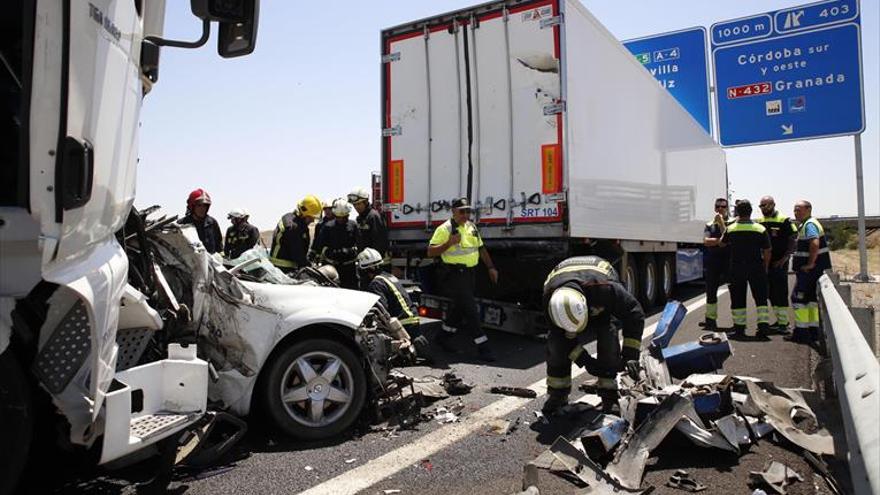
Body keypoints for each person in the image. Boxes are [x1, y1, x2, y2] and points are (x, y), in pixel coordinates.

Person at [542, 256, 645, 415]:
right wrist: (585, 360)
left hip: (597, 284)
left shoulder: (607, 290)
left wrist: (631, 355)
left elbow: (635, 315)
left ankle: (609, 395)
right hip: (566, 283)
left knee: (608, 335)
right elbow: (562, 339)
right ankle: (558, 395)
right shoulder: (550, 300)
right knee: (556, 344)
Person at [427, 197, 498, 361]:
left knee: (459, 310)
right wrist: (448, 244)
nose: (466, 214)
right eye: (462, 211)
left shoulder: (471, 227)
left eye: (468, 211)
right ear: (453, 211)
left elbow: (481, 248)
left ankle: (442, 338)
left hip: (470, 274)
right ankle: (483, 347)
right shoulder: (444, 229)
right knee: (471, 311)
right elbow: (430, 252)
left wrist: (491, 267)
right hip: (454, 274)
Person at [719, 200, 772, 337]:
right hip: (756, 267)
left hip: (737, 268)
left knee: (738, 299)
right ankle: (763, 327)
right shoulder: (760, 229)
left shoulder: (731, 228)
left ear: (737, 212)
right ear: (751, 212)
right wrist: (765, 266)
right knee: (760, 298)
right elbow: (767, 250)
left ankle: (739, 329)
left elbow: (721, 244)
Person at [789, 200, 832, 343]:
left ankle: (801, 333)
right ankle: (813, 332)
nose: (796, 212)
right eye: (795, 210)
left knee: (798, 299)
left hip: (809, 272)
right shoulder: (807, 224)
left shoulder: (810, 225)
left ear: (808, 210)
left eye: (799, 209)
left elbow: (814, 243)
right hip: (815, 271)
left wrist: (810, 264)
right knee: (811, 301)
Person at [758, 196, 797, 332]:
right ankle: (779, 321)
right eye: (761, 206)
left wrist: (785, 258)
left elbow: (793, 240)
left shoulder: (784, 220)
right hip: (765, 263)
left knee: (780, 291)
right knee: (770, 292)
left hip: (779, 262)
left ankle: (784, 323)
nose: (763, 208)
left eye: (766, 205)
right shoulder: (761, 221)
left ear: (773, 204)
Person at [357, 247, 419, 331]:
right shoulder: (389, 277)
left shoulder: (376, 283)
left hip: (402, 326)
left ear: (366, 269)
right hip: (413, 320)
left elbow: (382, 312)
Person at [311, 199, 359, 289]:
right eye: (338, 217)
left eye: (344, 217)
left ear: (348, 215)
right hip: (331, 268)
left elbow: (360, 244)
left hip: (349, 269)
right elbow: (318, 245)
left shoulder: (353, 226)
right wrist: (313, 256)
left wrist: (351, 251)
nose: (341, 219)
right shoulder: (327, 227)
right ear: (335, 215)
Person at [269, 195, 322, 273]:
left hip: (279, 266)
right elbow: (297, 254)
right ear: (304, 213)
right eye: (311, 218)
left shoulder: (289, 218)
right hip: (284, 269)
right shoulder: (294, 227)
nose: (312, 221)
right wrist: (310, 267)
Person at [702, 198, 731, 330]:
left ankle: (738, 323)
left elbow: (730, 240)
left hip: (728, 261)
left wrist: (721, 225)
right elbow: (706, 241)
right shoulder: (709, 224)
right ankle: (710, 319)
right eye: (718, 206)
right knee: (711, 291)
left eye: (723, 206)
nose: (720, 209)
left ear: (727, 208)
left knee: (734, 290)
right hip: (713, 261)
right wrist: (720, 241)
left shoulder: (732, 223)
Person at [349, 187, 389, 259]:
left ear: (366, 202)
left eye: (358, 204)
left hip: (374, 262)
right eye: (354, 205)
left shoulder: (373, 217)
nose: (356, 207)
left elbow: (380, 242)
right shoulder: (359, 219)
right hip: (365, 260)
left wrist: (374, 260)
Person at [180, 188, 223, 254]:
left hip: (211, 262)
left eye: (205, 206)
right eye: (199, 205)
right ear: (192, 206)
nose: (202, 209)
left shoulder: (212, 222)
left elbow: (219, 245)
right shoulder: (182, 224)